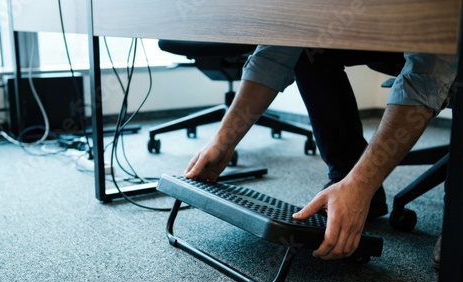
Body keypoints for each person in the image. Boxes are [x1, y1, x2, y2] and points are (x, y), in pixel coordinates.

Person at [183, 45, 457, 261]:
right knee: (309, 50)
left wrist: (361, 183)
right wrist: (224, 141)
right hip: (384, 30)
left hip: (445, 38)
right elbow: (277, 52)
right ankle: (345, 178)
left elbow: (429, 73)